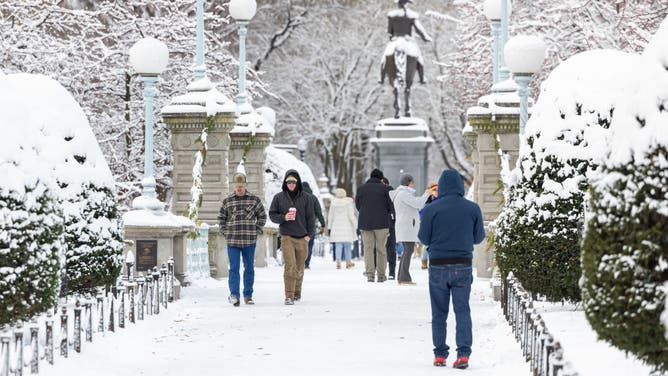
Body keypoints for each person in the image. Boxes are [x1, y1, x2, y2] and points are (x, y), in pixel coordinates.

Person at [418, 169, 485, 369]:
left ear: (442, 186)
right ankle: (463, 354)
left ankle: (440, 354)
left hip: (438, 265)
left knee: (439, 312)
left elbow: (424, 238)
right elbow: (479, 237)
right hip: (463, 265)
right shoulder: (472, 209)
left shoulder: (431, 209)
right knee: (462, 310)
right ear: (460, 186)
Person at [217, 169, 267, 306]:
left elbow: (262, 216)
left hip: (249, 240)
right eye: (237, 186)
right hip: (232, 240)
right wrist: (225, 231)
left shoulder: (254, 200)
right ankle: (234, 295)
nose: (239, 188)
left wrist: (256, 229)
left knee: (249, 268)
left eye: (242, 186)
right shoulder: (227, 201)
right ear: (234, 186)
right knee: (233, 268)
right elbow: (221, 218)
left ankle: (248, 295)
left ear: (246, 185)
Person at [269, 170, 315, 305]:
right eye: (288, 182)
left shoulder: (307, 198)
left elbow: (311, 218)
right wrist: (284, 217)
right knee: (290, 266)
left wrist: (309, 235)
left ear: (298, 182)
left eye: (293, 182)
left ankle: (297, 292)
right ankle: (288, 296)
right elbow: (272, 215)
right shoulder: (279, 197)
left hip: (302, 238)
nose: (291, 184)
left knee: (300, 268)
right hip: (287, 236)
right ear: (285, 182)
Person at [390, 173, 430, 285]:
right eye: (412, 182)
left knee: (407, 251)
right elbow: (418, 204)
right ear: (408, 183)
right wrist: (426, 194)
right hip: (407, 227)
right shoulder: (403, 194)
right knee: (408, 251)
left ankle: (401, 277)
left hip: (406, 226)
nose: (414, 184)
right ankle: (404, 278)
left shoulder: (402, 194)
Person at [355, 168, 395, 282]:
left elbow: (358, 205)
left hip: (365, 223)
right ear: (381, 178)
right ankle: (381, 275)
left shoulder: (361, 189)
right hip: (382, 223)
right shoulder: (386, 189)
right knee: (381, 249)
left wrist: (365, 212)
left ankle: (370, 275)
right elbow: (390, 206)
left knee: (368, 249)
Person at [327, 188, 357, 269]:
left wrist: (329, 227)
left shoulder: (333, 203)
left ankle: (338, 262)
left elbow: (330, 216)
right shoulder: (348, 202)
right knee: (347, 246)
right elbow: (351, 216)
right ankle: (348, 262)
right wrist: (355, 225)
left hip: (336, 227)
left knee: (338, 245)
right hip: (347, 227)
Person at [302, 182, 326, 270]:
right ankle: (306, 263)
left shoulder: (297, 197)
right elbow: (319, 212)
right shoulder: (314, 198)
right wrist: (323, 224)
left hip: (299, 225)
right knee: (309, 244)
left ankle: (300, 262)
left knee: (300, 243)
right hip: (310, 225)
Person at [381, 177, 398, 280]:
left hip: (390, 224)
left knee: (390, 249)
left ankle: (391, 272)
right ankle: (383, 271)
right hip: (382, 224)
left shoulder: (391, 193)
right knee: (382, 249)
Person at [421, 182, 439, 269]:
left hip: (438, 225)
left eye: (438, 190)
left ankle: (434, 261)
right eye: (434, 190)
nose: (436, 192)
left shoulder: (442, 200)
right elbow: (420, 212)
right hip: (428, 225)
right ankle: (424, 260)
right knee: (426, 244)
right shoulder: (426, 200)